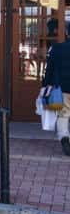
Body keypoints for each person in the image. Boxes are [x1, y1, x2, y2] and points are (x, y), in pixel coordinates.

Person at [43, 21, 70, 156]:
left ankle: (64, 137)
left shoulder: (57, 48)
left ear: (67, 33)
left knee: (63, 115)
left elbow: (49, 69)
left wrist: (45, 85)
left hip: (62, 88)